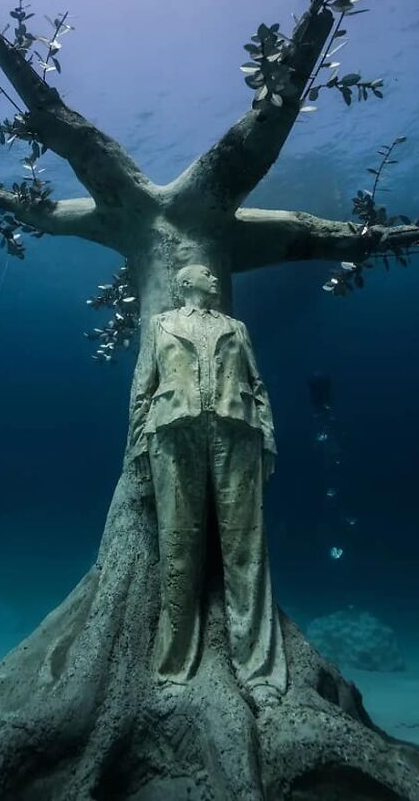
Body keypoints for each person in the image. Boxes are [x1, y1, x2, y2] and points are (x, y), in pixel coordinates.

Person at [127, 264, 286, 706]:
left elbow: (258, 384)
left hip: (237, 431)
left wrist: (268, 438)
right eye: (205, 275)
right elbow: (142, 390)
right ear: (183, 283)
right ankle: (174, 666)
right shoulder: (161, 325)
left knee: (246, 548)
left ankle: (258, 672)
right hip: (174, 434)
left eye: (216, 276)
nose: (215, 280)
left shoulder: (237, 328)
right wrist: (136, 449)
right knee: (177, 546)